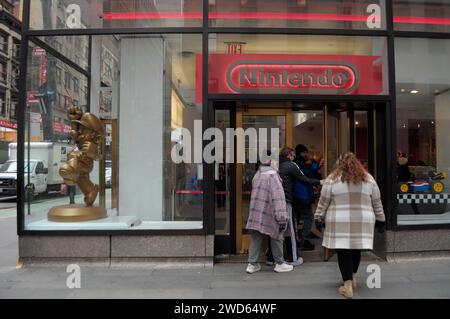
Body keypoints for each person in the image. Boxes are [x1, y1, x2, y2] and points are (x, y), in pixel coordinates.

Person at [314, 152, 386, 299]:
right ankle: (352, 278)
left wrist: (318, 217)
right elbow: (377, 202)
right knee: (356, 250)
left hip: (339, 220)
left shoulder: (332, 179)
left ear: (339, 164)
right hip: (363, 220)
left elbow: (323, 201)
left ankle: (347, 286)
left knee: (343, 252)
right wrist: (381, 219)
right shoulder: (368, 178)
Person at [269, 147, 321, 266]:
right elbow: (304, 179)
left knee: (274, 229)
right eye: (293, 156)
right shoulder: (291, 165)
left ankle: (271, 258)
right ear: (289, 156)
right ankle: (293, 258)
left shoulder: (274, 165)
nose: (294, 158)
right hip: (285, 200)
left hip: (273, 201)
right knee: (290, 230)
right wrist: (319, 182)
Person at [245, 155, 294, 274]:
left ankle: (252, 264)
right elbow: (278, 198)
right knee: (277, 236)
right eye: (275, 161)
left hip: (257, 211)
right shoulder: (272, 176)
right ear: (270, 162)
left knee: (256, 237)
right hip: (270, 212)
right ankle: (279, 263)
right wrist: (282, 218)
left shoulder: (257, 175)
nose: (277, 163)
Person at [294, 144, 324, 250]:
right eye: (305, 152)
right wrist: (316, 163)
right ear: (301, 153)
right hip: (302, 195)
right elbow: (308, 172)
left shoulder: (297, 162)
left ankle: (296, 240)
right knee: (308, 217)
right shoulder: (299, 163)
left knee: (297, 218)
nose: (306, 154)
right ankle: (304, 240)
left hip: (298, 195)